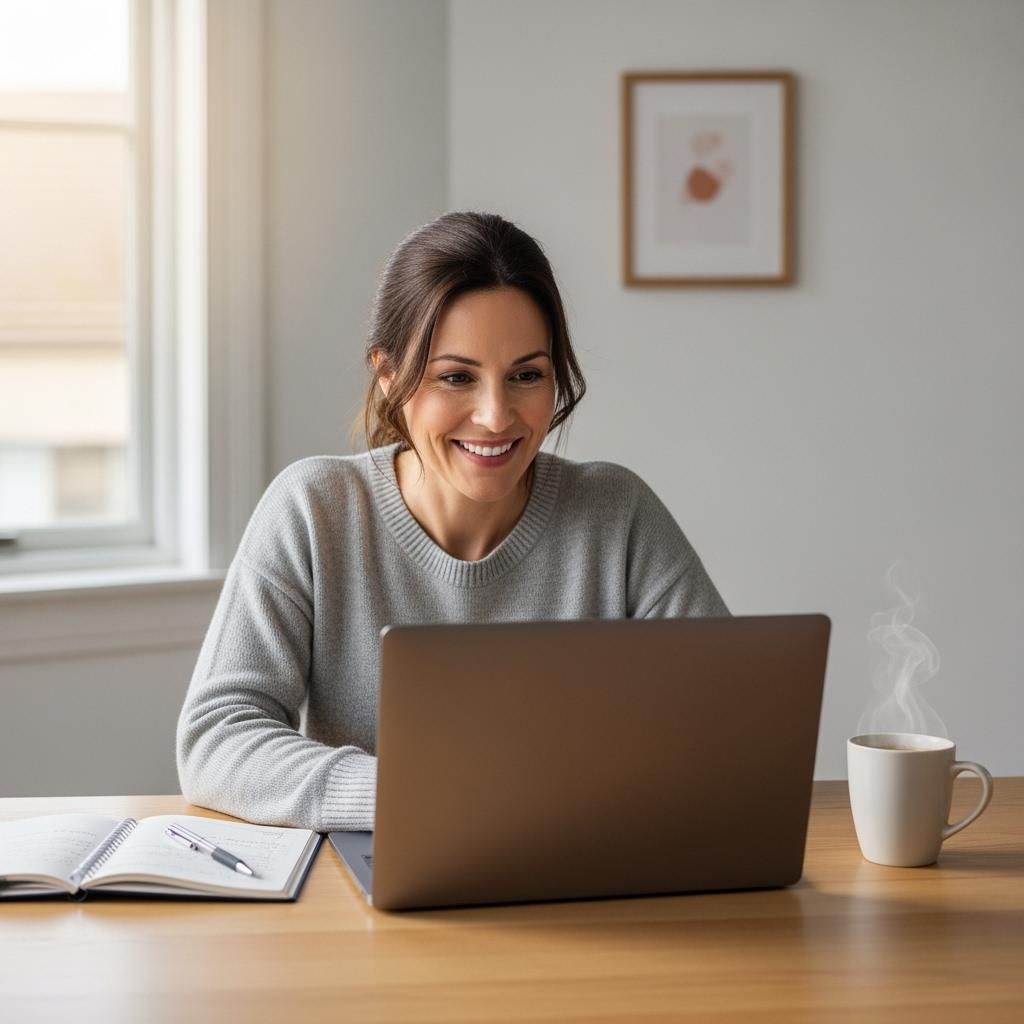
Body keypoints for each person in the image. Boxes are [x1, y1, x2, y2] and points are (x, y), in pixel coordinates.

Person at [175, 211, 729, 831]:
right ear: (389, 378)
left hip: (582, 872)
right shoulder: (314, 509)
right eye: (456, 377)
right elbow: (217, 740)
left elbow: (723, 722)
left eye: (526, 375)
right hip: (378, 881)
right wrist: (418, 794)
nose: (496, 416)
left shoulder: (618, 514)